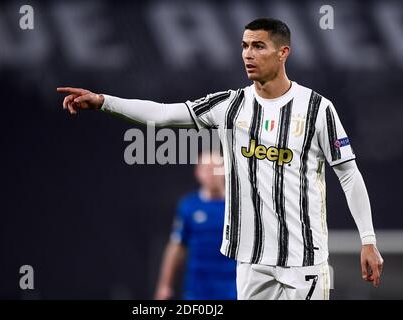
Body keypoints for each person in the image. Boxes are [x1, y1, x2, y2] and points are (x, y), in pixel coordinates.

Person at [57, 18, 383, 300]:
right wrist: (104, 101)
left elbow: (348, 174)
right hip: (251, 261)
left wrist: (367, 240)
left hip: (304, 260)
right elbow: (165, 114)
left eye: (258, 46)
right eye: (244, 46)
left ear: (283, 53)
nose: (248, 54)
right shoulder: (230, 105)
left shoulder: (317, 109)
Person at [155, 152, 236, 300]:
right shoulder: (189, 206)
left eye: (216, 167)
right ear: (198, 173)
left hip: (232, 289)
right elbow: (176, 247)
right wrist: (164, 285)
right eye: (207, 168)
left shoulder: (238, 206)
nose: (212, 173)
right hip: (198, 290)